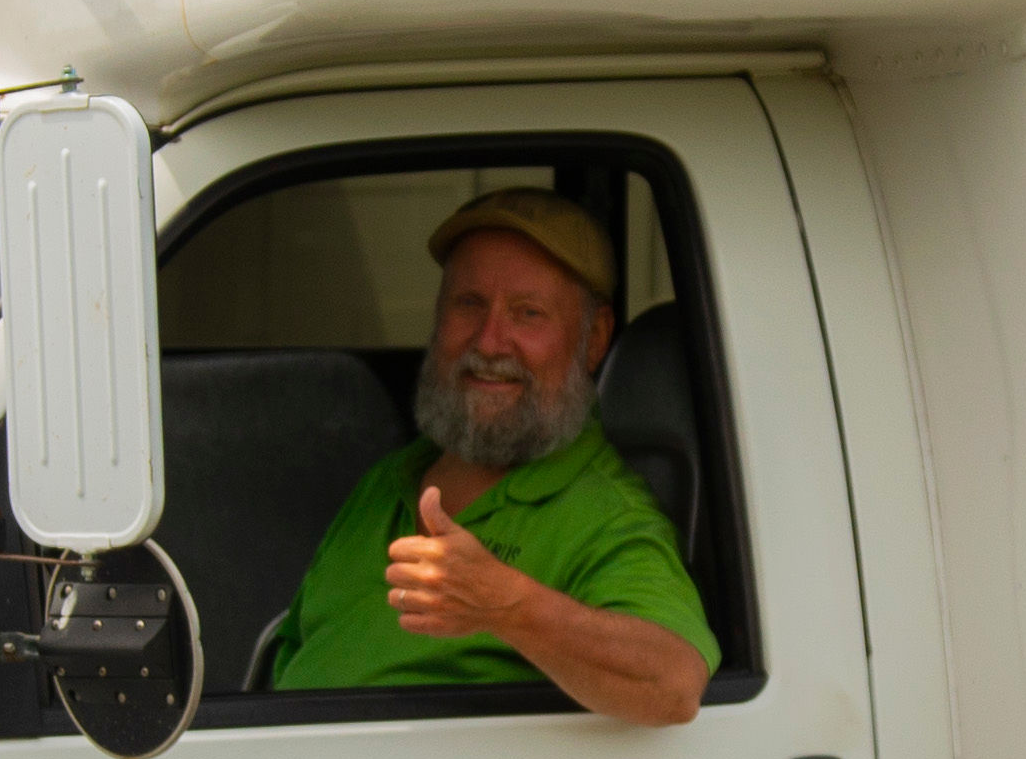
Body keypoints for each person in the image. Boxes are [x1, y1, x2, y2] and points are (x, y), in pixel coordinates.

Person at [261, 190, 718, 726]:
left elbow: (673, 686)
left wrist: (506, 606)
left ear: (593, 340)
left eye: (528, 313)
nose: (490, 341)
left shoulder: (605, 515)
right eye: (469, 304)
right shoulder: (393, 477)